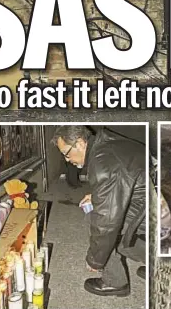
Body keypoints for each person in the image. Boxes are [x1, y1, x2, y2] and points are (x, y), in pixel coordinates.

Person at [52, 125, 146, 297]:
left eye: (66, 153)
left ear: (80, 143)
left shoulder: (103, 163)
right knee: (104, 214)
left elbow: (106, 222)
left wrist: (95, 260)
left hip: (156, 216)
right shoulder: (107, 144)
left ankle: (115, 282)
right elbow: (124, 181)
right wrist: (97, 196)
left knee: (97, 220)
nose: (66, 160)